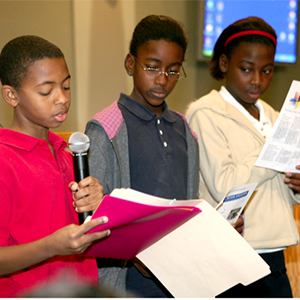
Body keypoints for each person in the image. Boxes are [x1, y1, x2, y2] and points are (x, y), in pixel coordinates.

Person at [85, 15, 199, 297]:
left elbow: (187, 205)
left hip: (178, 276)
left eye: (173, 71)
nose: (162, 80)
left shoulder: (184, 129)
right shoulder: (107, 127)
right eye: (152, 67)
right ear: (130, 63)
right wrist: (136, 253)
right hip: (127, 282)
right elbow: (91, 217)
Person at [186, 16, 300, 298]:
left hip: (274, 253)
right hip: (231, 254)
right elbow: (225, 185)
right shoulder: (206, 112)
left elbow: (278, 188)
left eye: (267, 70)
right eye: (246, 69)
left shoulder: (272, 115)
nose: (257, 80)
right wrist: (270, 148)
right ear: (224, 63)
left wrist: (296, 185)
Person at [0, 35, 111, 298]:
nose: (61, 98)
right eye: (46, 91)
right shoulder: (5, 160)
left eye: (66, 86)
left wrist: (98, 204)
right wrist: (52, 246)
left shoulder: (67, 151)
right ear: (11, 95)